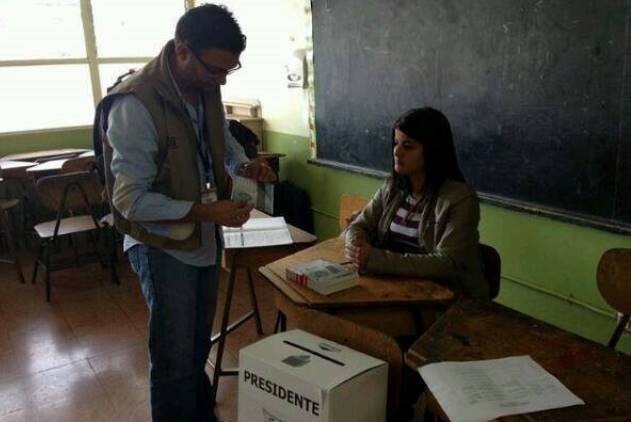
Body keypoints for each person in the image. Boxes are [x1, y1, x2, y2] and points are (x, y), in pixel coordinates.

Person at [95, 5, 275, 422]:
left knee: (195, 346)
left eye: (231, 70)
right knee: (173, 357)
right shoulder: (135, 104)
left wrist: (244, 165)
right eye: (215, 70)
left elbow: (222, 141)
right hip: (159, 243)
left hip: (201, 234)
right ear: (182, 51)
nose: (222, 80)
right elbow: (130, 201)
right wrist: (205, 210)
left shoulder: (206, 86)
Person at [345, 107, 488, 300]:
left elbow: (446, 263)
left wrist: (376, 259)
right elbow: (359, 225)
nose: (397, 151)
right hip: (399, 289)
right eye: (396, 143)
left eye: (408, 146)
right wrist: (356, 246)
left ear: (432, 151)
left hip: (446, 300)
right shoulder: (392, 187)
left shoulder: (460, 199)